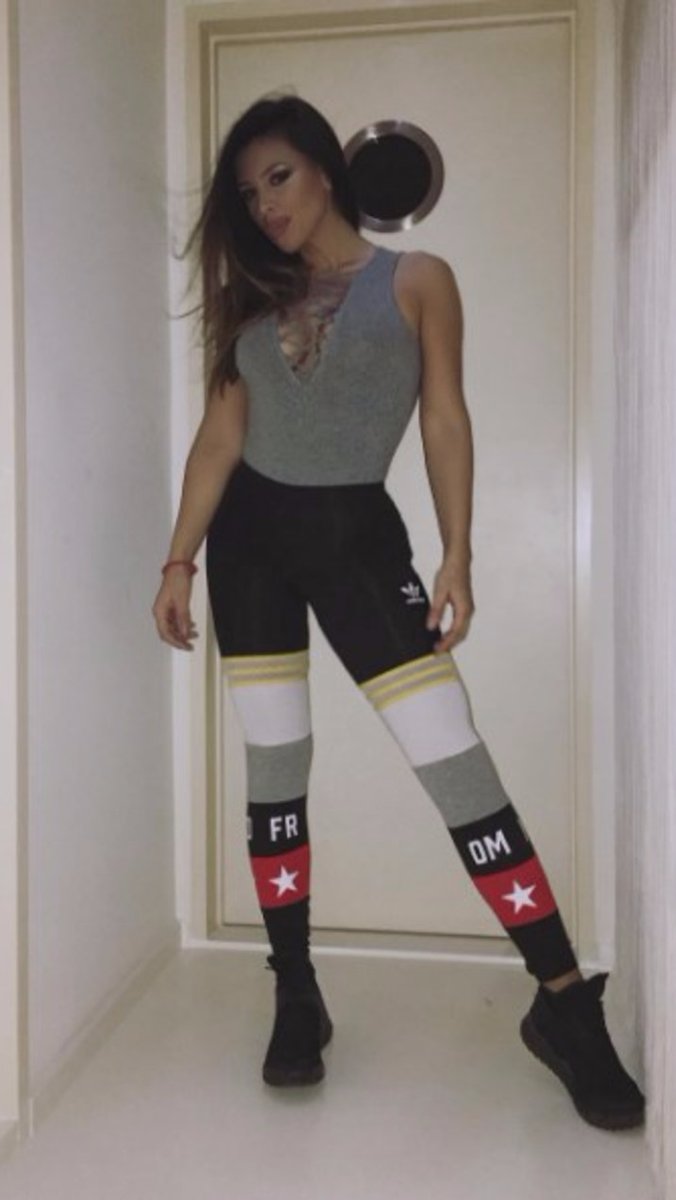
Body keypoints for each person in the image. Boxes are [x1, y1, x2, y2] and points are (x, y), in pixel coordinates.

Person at [152, 93, 644, 1130]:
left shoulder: (417, 280)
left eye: (279, 176)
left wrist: (457, 550)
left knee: (454, 760)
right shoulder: (247, 301)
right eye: (249, 192)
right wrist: (179, 560)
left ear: (325, 169)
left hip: (357, 543)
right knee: (275, 773)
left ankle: (562, 1003)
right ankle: (296, 992)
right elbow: (218, 440)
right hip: (249, 549)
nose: (266, 204)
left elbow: (445, 416)